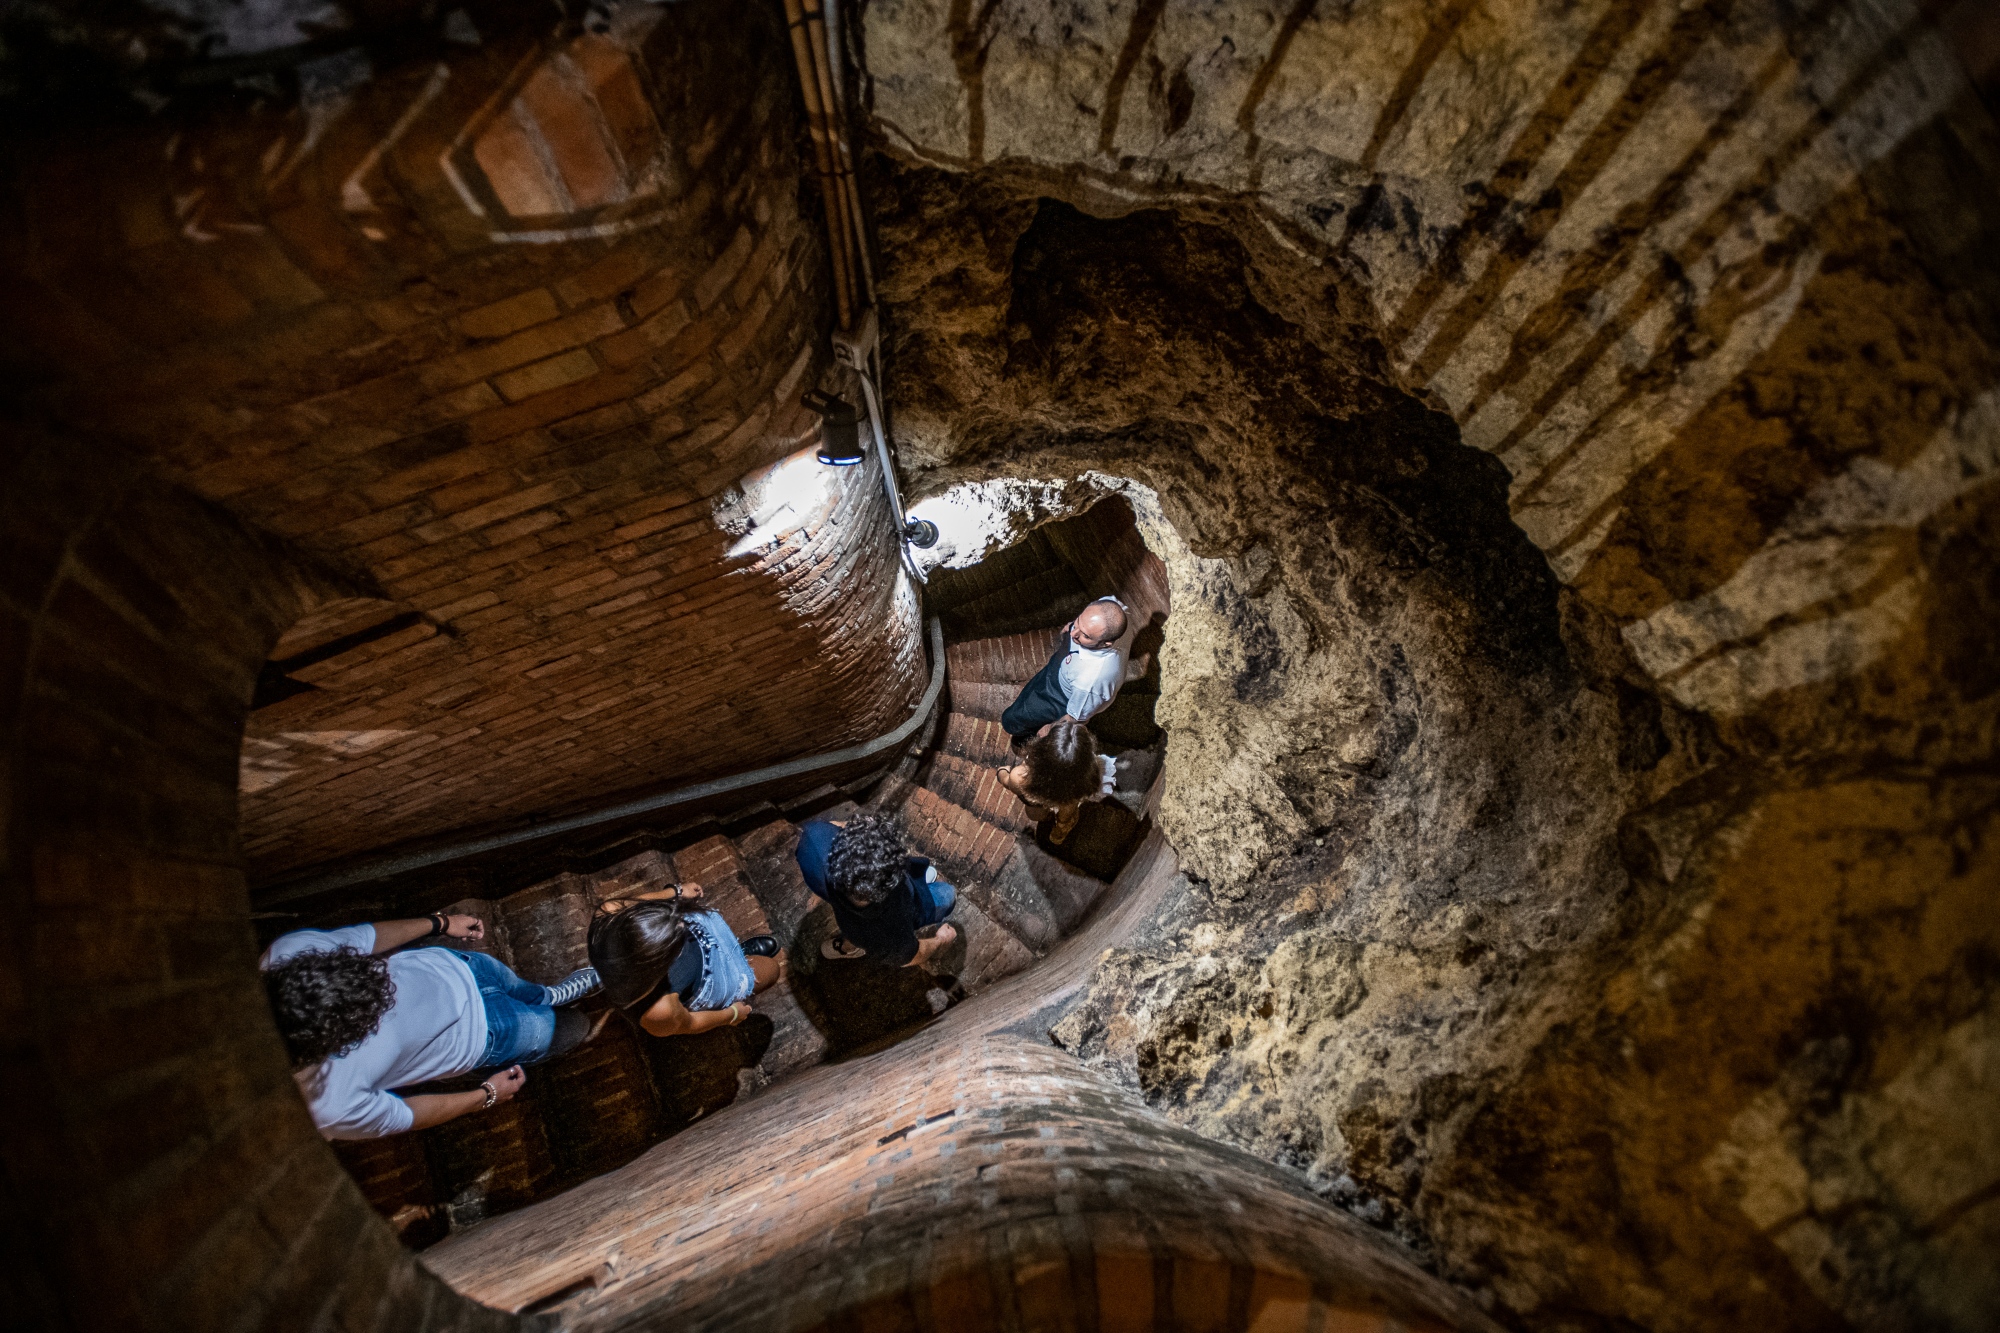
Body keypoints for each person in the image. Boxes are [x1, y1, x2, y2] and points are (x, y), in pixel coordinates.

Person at [259, 912, 603, 1140]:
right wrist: (486, 1094)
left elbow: (365, 937)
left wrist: (439, 922)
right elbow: (407, 1114)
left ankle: (551, 994)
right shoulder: (324, 1106)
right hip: (485, 1037)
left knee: (528, 990)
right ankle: (558, 1007)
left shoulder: (288, 954)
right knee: (572, 1028)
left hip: (462, 966)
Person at [588, 881, 783, 1036]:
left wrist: (676, 892)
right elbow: (690, 1023)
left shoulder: (609, 914)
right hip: (707, 979)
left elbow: (639, 903)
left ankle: (736, 953)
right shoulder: (656, 1009)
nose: (683, 923)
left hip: (701, 944)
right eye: (676, 940)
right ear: (658, 963)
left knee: (704, 932)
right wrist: (730, 1015)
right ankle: (739, 961)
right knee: (772, 970)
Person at [794, 812, 958, 964]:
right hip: (912, 906)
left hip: (847, 912)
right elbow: (912, 956)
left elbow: (837, 826)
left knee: (854, 931)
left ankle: (846, 946)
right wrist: (941, 939)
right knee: (948, 894)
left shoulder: (813, 839)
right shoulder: (886, 934)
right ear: (889, 887)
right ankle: (848, 947)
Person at [999, 595, 1152, 750]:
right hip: (1062, 670)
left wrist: (1050, 729)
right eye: (1079, 622)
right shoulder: (1114, 608)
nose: (1074, 634)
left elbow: (1074, 718)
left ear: (1106, 643)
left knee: (1011, 721)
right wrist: (1074, 625)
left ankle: (1021, 730)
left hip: (1059, 697)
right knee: (1032, 689)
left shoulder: (1091, 681)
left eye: (1085, 635)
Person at [993, 718, 1117, 844]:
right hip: (1071, 794)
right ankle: (1059, 833)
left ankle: (1049, 818)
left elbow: (1007, 781)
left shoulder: (1020, 776)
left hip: (1038, 795)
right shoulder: (1082, 776)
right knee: (1066, 816)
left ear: (1042, 750)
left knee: (1035, 814)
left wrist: (1002, 772)